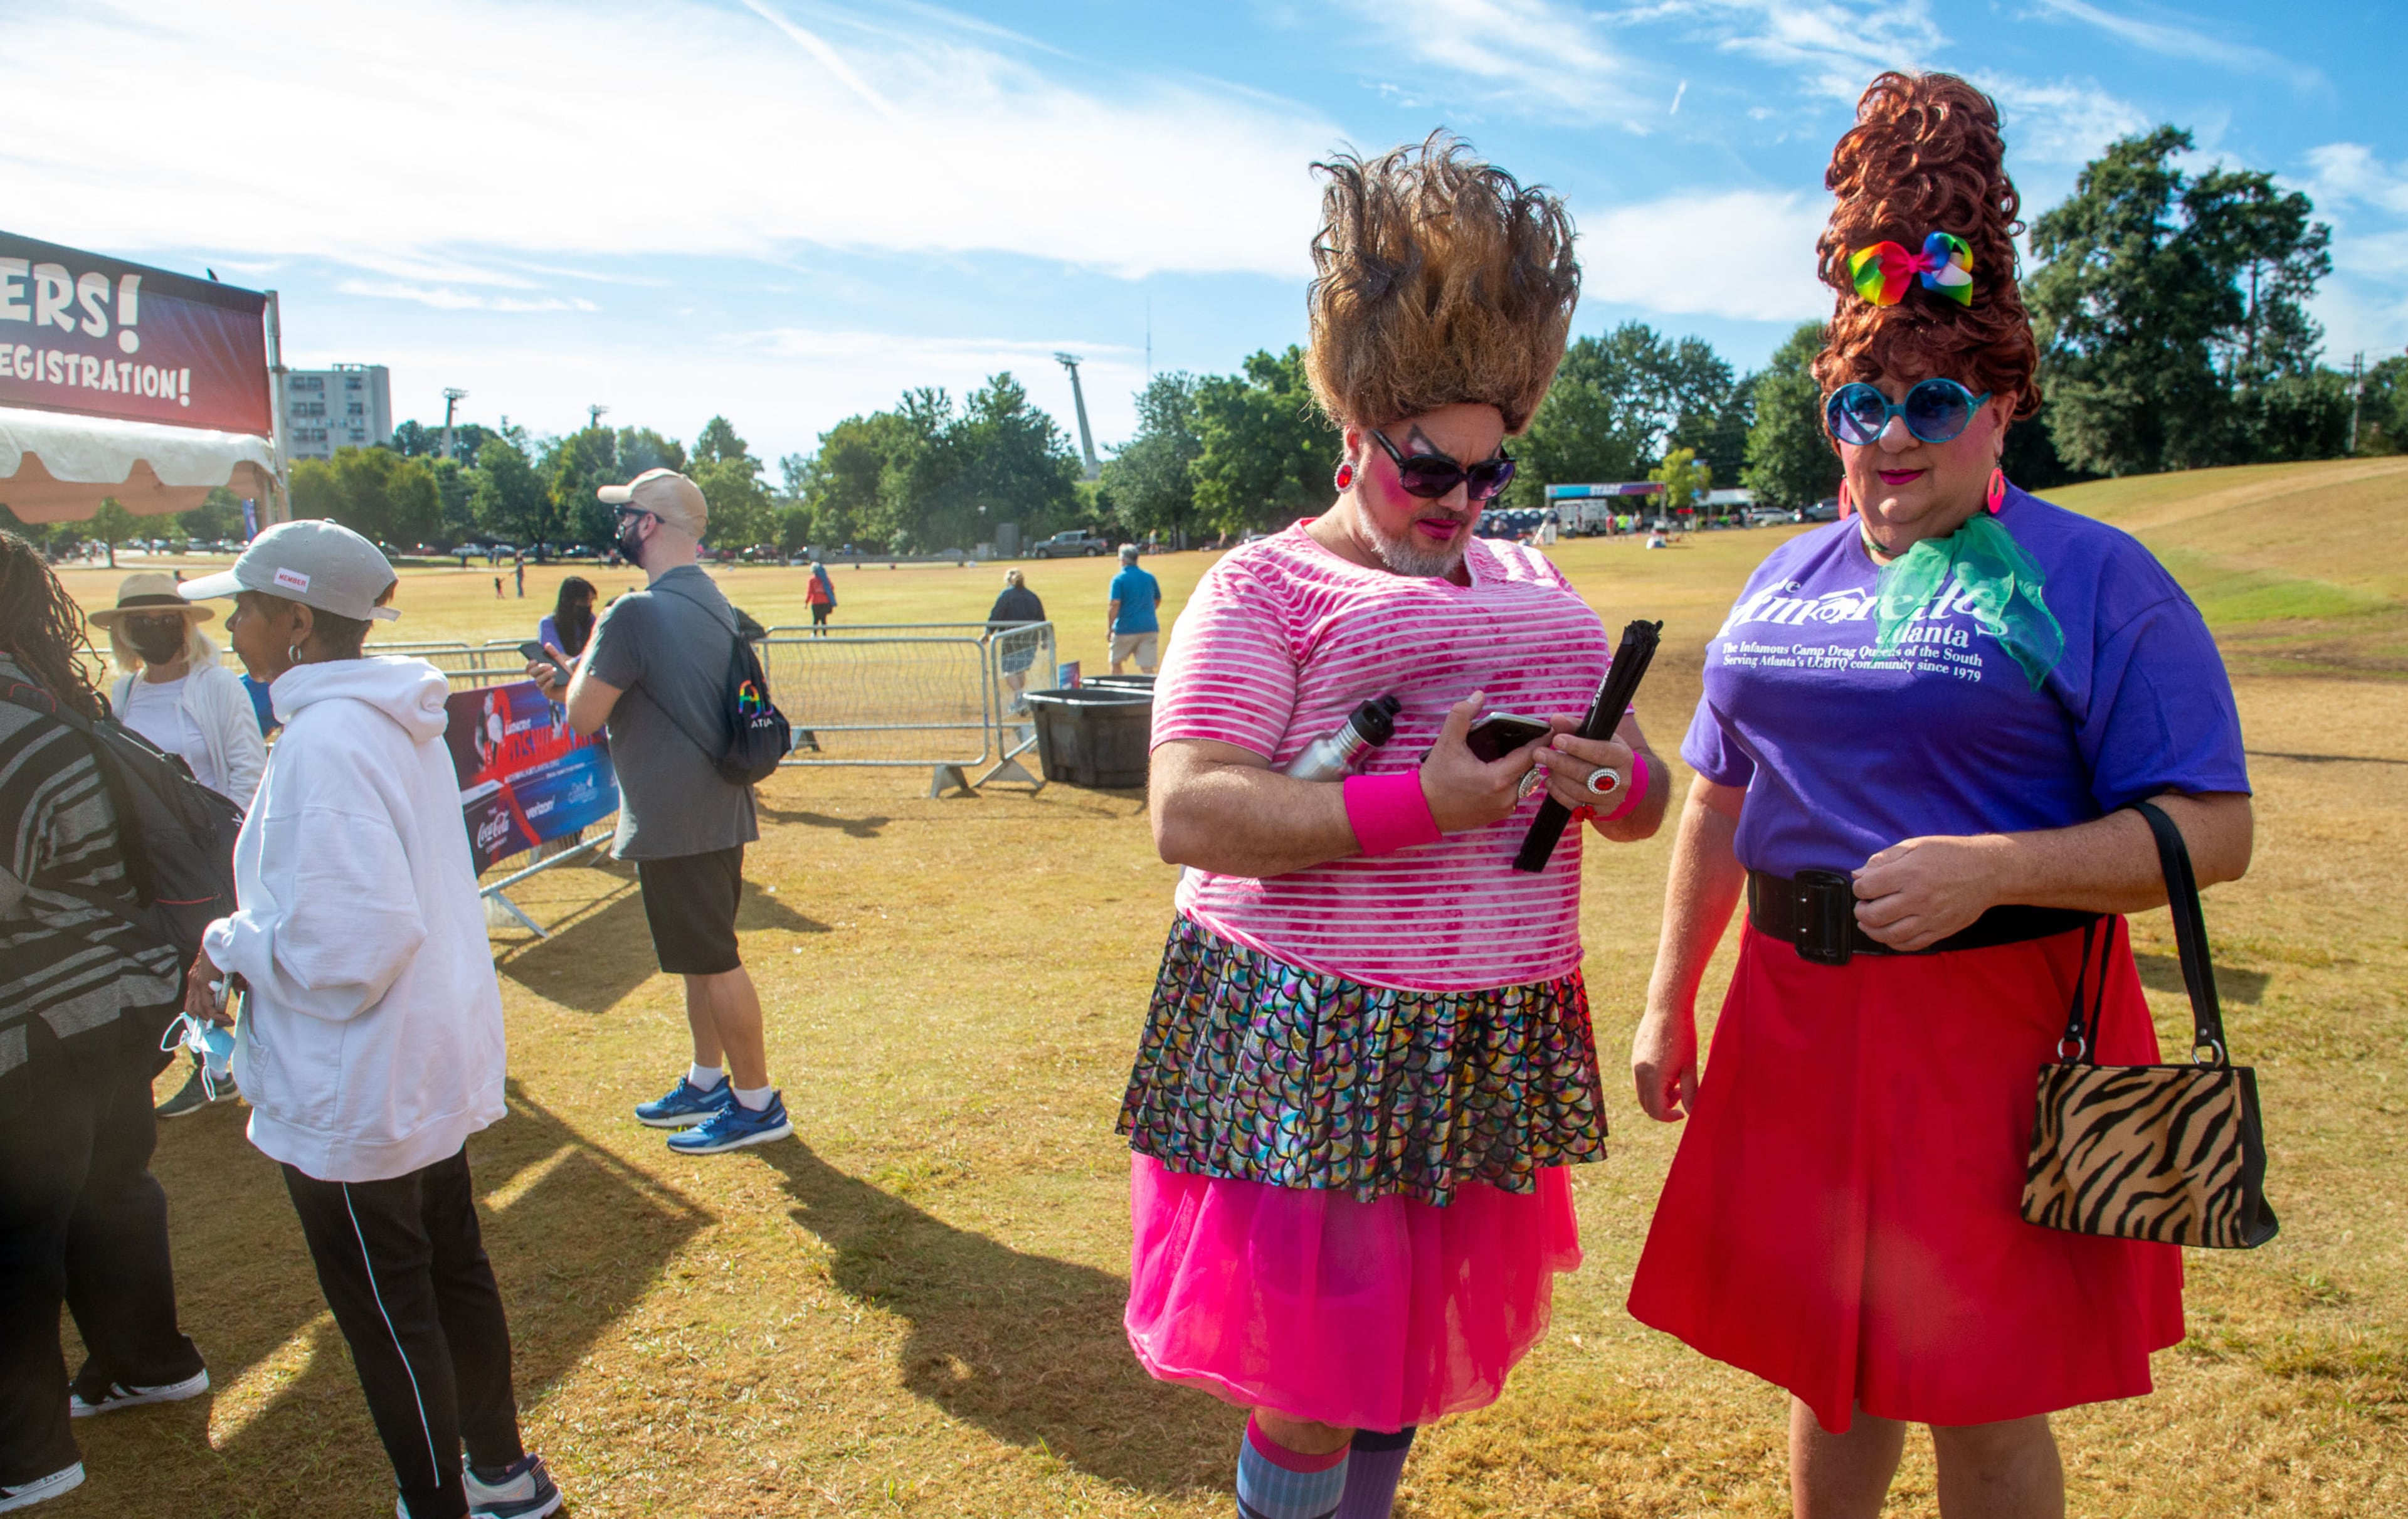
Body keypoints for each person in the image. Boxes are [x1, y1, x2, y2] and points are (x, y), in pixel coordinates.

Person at [1623, 73, 2256, 1519]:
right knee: (1820, 1373)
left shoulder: (2096, 580)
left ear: (2002, 406)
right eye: (1861, 403)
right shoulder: (1785, 572)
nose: (1891, 436)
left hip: (1993, 1035)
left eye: (1931, 400)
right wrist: (1671, 997)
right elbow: (1718, 793)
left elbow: (2213, 834)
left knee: (1976, 1395)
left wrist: (1993, 867)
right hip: (1792, 1022)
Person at [1124, 134, 1664, 1519]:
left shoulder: (1537, 580)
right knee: (1311, 1377)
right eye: (1433, 471)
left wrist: (1622, 788)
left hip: (1481, 1020)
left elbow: (1645, 791)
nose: (1463, 505)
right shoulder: (1264, 590)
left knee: (1402, 1360)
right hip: (1320, 1022)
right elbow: (1188, 808)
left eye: (1490, 475)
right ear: (1356, 434)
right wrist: (1417, 802)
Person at [176, 520, 562, 1519]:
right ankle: (499, 1472)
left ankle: (440, 1499)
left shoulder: (329, 739)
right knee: (452, 1269)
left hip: (364, 1075)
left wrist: (230, 944)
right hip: (413, 1055)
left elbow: (350, 947)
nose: (233, 624)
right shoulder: (383, 720)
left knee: (394, 1304)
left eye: (248, 607)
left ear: (298, 619)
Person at [0, 533, 209, 1516]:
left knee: (18, 1230)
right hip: (118, 1002)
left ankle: (28, 1452)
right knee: (111, 1186)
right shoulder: (52, 703)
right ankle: (145, 1360)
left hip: (33, 1023)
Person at [527, 468, 791, 1155]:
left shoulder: (633, 611)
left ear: (648, 524)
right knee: (700, 956)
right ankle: (709, 1081)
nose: (619, 528)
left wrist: (566, 680)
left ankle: (757, 1102)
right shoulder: (713, 600)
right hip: (718, 806)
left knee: (715, 957)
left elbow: (585, 713)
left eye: (627, 516)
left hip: (676, 816)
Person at [87, 572, 270, 1119]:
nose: (155, 629)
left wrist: (226, 842)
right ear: (124, 631)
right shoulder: (125, 693)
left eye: (167, 619)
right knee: (177, 961)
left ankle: (234, 1064)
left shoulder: (217, 687)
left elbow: (246, 769)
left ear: (186, 626)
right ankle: (210, 1062)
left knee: (220, 959)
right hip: (153, 856)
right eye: (141, 622)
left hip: (211, 852)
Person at [985, 568, 1047, 711]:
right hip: (1031, 638)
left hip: (1012, 638)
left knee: (1009, 670)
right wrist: (1044, 639)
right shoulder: (1033, 596)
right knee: (1020, 669)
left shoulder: (1006, 595)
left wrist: (988, 632)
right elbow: (1042, 617)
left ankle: (1020, 696)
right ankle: (1019, 702)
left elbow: (996, 615)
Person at [1106, 544, 1161, 675]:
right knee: (1147, 668)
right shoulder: (1149, 577)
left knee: (1115, 662)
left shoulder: (1119, 579)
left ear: (1123, 560)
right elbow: (1157, 599)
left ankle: (1117, 692)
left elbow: (1115, 604)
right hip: (1149, 627)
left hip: (1126, 628)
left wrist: (1110, 628)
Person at [537, 576, 598, 662]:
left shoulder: (592, 620)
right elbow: (558, 656)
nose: (588, 606)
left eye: (591, 601)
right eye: (583, 601)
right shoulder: (549, 624)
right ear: (568, 601)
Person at [805, 558, 836, 635]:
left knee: (816, 619)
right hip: (825, 602)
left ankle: (815, 634)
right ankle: (824, 635)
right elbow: (832, 587)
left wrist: (806, 602)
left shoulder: (812, 580)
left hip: (815, 602)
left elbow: (810, 592)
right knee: (824, 619)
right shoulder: (825, 579)